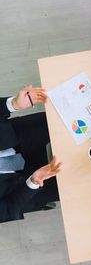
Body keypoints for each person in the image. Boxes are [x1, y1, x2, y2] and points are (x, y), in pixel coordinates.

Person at [0, 86, 62, 223]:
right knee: (76, 181)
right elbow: (8, 209)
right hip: (20, 186)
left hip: (12, 137)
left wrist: (13, 104)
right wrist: (32, 183)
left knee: (68, 122)